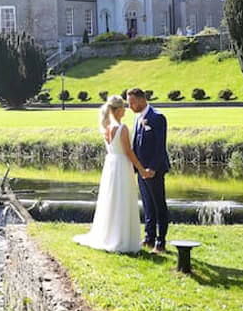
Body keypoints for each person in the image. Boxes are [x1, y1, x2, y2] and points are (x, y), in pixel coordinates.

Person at [73, 94, 154, 253]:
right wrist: (142, 170)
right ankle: (121, 239)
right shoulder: (121, 128)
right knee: (122, 199)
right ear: (117, 110)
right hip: (122, 166)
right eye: (123, 107)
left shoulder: (106, 127)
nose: (126, 109)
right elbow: (129, 152)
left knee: (111, 199)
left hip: (111, 166)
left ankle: (111, 234)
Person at [127, 87, 171, 253]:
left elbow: (160, 147)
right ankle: (149, 237)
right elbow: (134, 146)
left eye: (131, 102)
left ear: (141, 100)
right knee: (147, 205)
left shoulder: (157, 117)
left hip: (155, 170)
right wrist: (134, 168)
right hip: (141, 171)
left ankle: (161, 242)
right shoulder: (137, 118)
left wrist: (152, 168)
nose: (129, 106)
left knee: (159, 205)